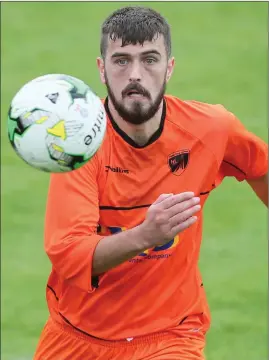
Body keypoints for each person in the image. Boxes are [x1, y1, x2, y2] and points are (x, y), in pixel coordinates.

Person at [34, 6, 268, 360]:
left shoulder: (211, 129)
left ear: (169, 67)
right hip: (76, 336)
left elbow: (260, 167)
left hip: (170, 334)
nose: (136, 75)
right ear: (102, 69)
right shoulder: (78, 143)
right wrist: (146, 235)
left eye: (150, 59)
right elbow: (70, 255)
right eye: (122, 61)